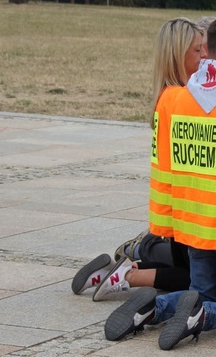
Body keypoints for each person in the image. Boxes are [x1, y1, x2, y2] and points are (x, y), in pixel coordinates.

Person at [104, 14, 216, 350]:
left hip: (194, 222)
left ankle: (153, 307)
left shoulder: (176, 98)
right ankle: (201, 317)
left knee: (201, 292)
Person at [72, 17, 205, 300]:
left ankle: (115, 268)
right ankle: (129, 276)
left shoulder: (166, 95)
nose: (205, 56)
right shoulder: (182, 99)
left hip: (170, 205)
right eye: (198, 50)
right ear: (177, 55)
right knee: (199, 277)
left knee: (186, 265)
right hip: (183, 206)